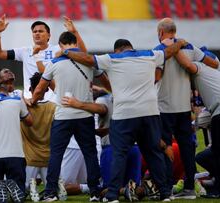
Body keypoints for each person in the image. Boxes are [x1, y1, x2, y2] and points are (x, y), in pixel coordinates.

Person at [62, 38, 188, 202]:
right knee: (154, 154)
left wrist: (66, 52)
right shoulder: (150, 55)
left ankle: (113, 195)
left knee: (119, 154)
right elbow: (168, 52)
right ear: (131, 47)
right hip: (150, 113)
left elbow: (87, 59)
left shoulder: (112, 59)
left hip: (125, 115)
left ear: (117, 50)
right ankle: (165, 193)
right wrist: (180, 43)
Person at [30, 31, 104, 202]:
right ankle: (95, 192)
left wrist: (33, 101)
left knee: (56, 154)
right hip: (85, 115)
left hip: (63, 116)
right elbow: (104, 81)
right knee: (90, 154)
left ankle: (50, 193)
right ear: (76, 43)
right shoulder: (88, 61)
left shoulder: (54, 63)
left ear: (61, 45)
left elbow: (40, 88)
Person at [154, 18, 219, 200]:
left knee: (165, 147)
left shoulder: (158, 50)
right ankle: (190, 188)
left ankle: (166, 190)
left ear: (160, 33)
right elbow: (214, 64)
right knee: (187, 148)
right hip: (184, 107)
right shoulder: (190, 47)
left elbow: (156, 77)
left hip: (164, 107)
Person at [0, 14, 87, 101]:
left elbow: (82, 53)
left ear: (49, 35)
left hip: (53, 100)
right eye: (34, 31)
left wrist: (74, 32)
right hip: (31, 101)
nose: (37, 33)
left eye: (41, 31)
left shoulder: (58, 49)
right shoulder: (24, 51)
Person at [170, 49, 220, 198]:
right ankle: (216, 183)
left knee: (217, 154)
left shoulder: (199, 68)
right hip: (216, 110)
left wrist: (174, 48)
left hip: (219, 111)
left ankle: (218, 189)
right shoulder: (214, 72)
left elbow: (187, 63)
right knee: (211, 155)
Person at [20, 72, 56, 202]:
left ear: (30, 89)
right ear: (47, 89)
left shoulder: (22, 106)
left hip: (30, 160)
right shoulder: (53, 107)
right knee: (52, 190)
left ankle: (32, 189)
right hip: (48, 157)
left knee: (21, 191)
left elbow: (15, 96)